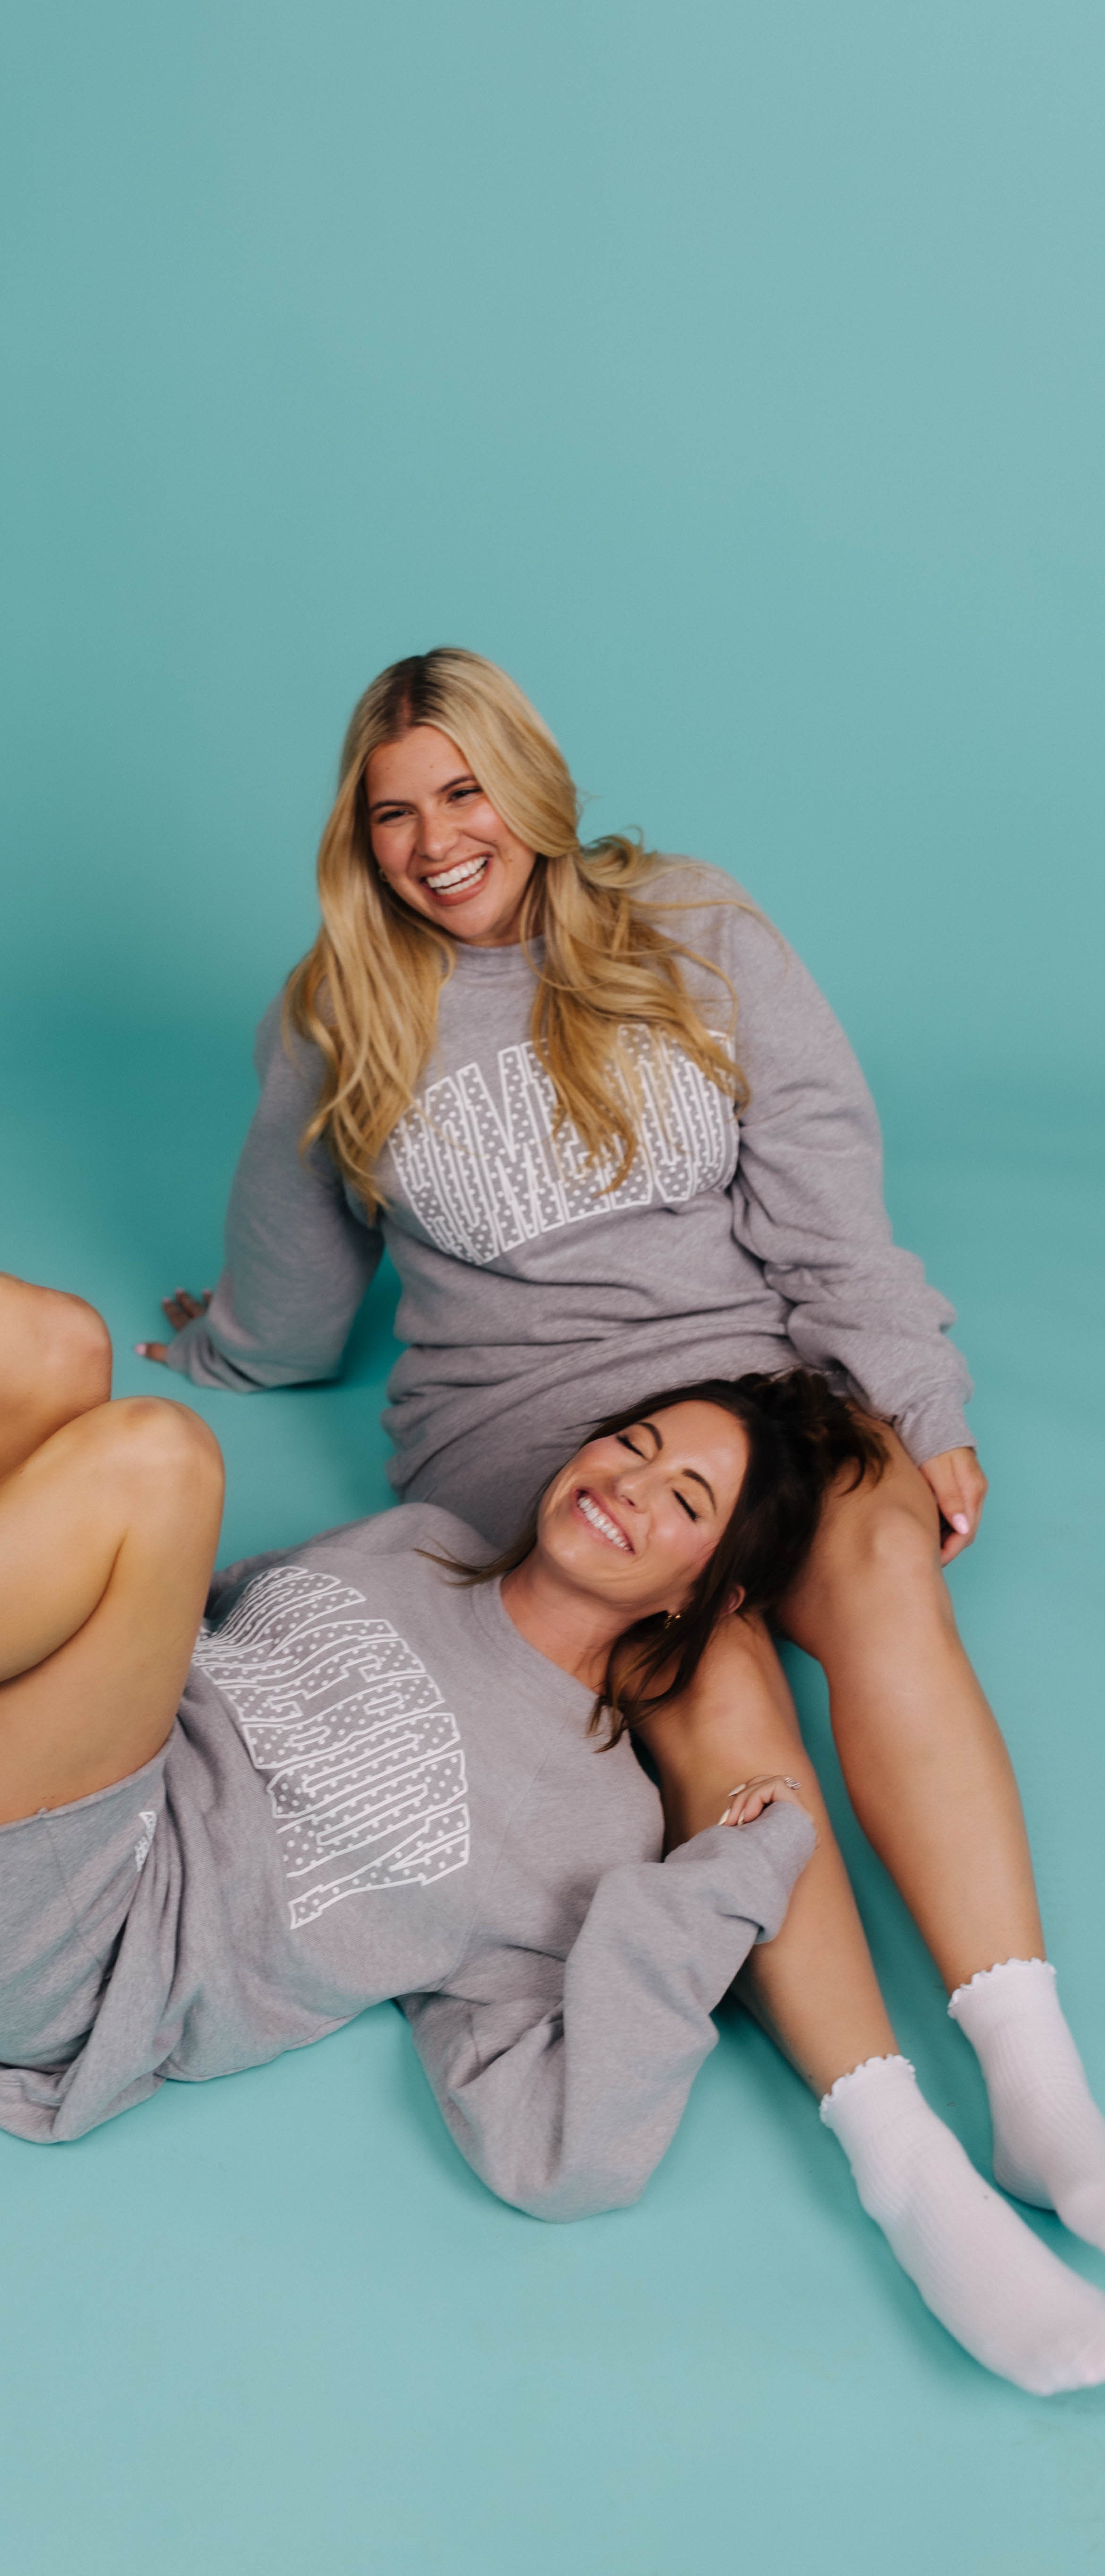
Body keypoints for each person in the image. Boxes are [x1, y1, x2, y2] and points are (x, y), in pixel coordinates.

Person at [0, 865, 1105, 2399]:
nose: (628, 1482)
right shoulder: (414, 1542)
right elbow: (121, 1621)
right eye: (632, 1444)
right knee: (59, 1355)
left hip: (64, 1941)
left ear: (700, 1598)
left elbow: (560, 2156)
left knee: (149, 1453)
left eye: (679, 1508)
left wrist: (711, 1891)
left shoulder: (593, 1824)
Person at [143, 646, 1105, 2316]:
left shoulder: (698, 924)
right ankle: (907, 2166)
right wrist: (226, 1343)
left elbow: (825, 1204)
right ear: (356, 840)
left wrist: (919, 1398)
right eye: (392, 815)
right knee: (705, 1664)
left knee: (879, 1558)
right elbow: (295, 1305)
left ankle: (1035, 2084)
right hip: (523, 1425)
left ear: (529, 785)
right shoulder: (338, 1012)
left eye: (463, 792)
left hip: (748, 1382)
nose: (436, 841)